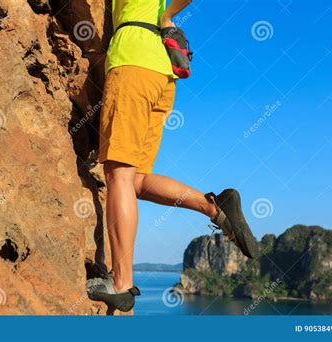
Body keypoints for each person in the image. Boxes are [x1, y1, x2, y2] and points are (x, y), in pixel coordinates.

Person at [86, 0, 258, 312]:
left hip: (132, 63)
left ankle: (121, 283)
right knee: (134, 180)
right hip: (162, 73)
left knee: (119, 177)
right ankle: (214, 207)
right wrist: (164, 16)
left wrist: (166, 15)